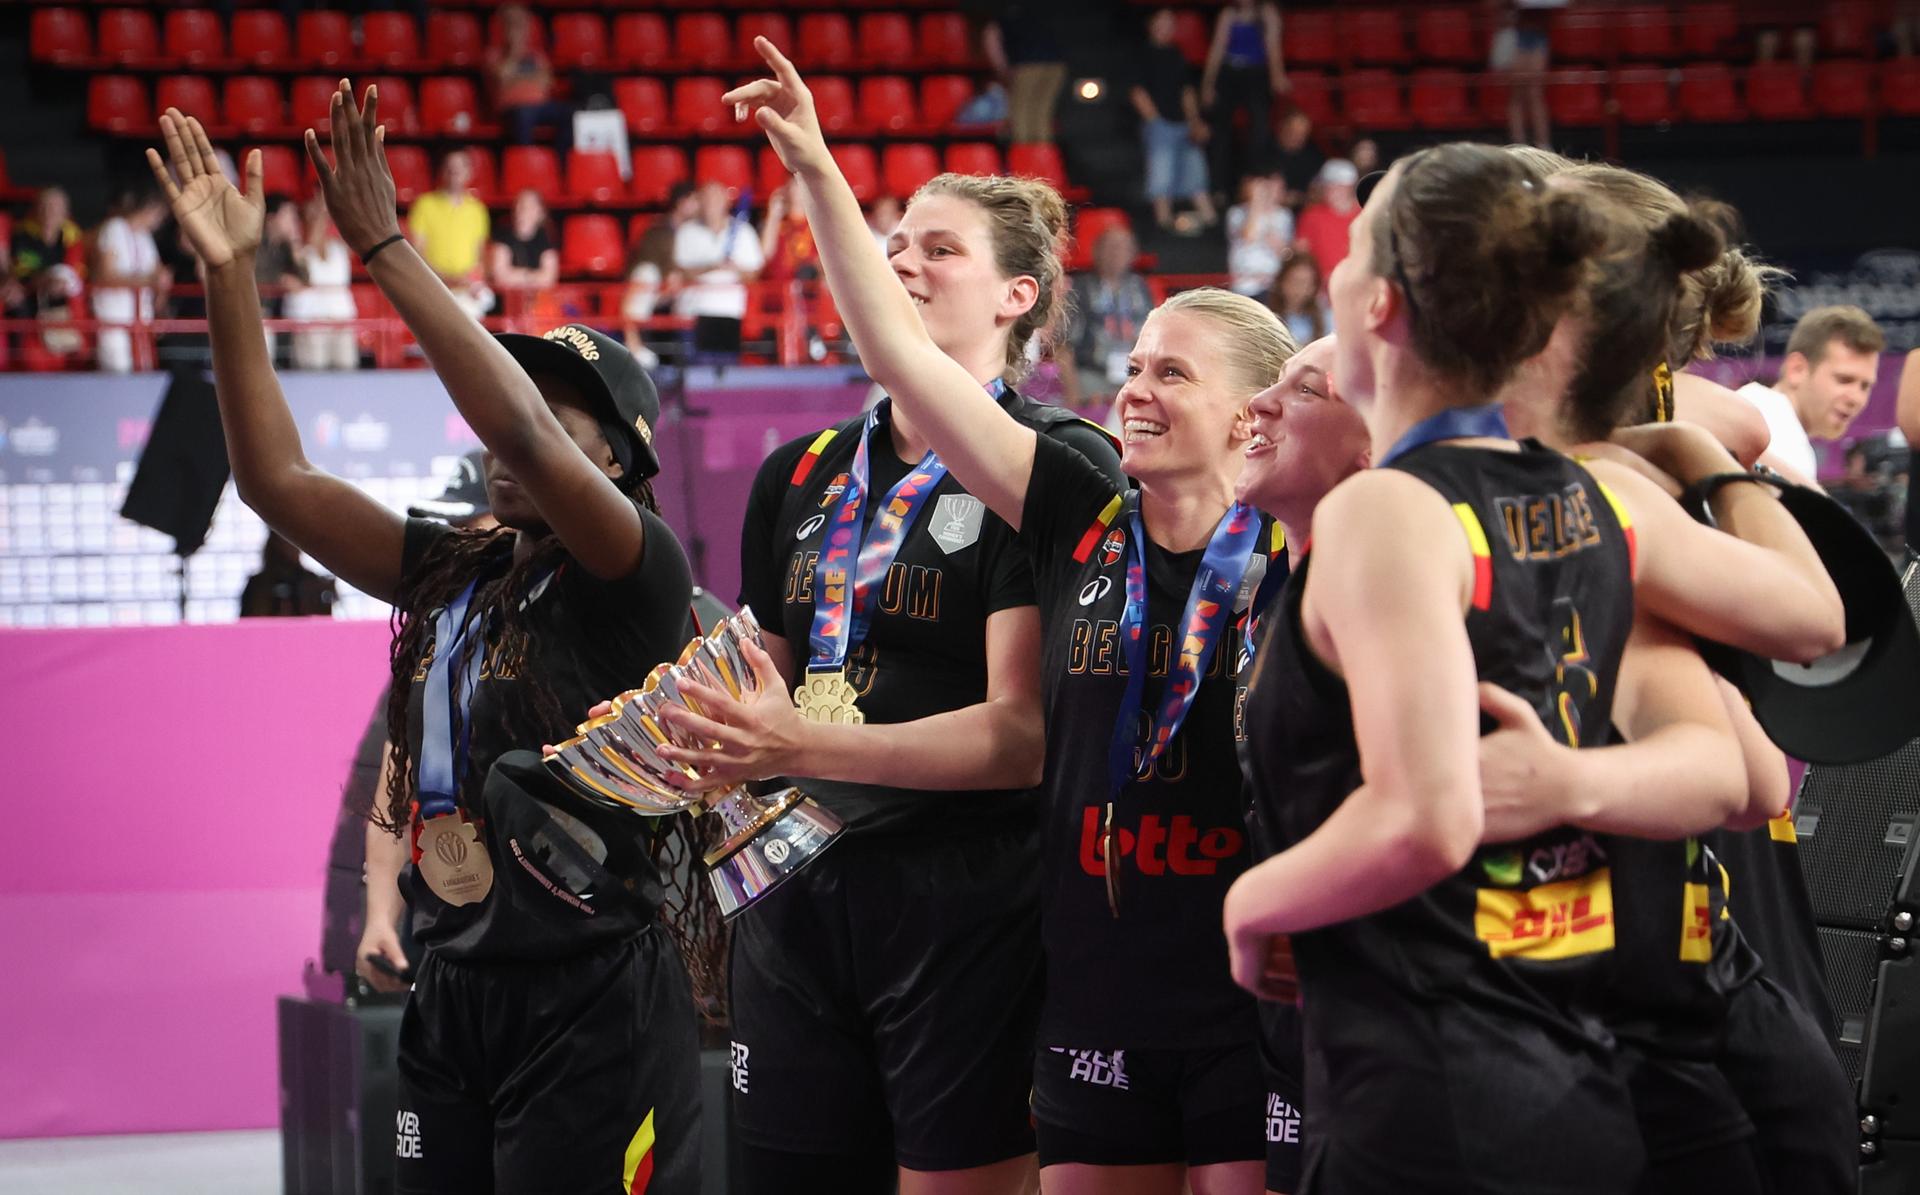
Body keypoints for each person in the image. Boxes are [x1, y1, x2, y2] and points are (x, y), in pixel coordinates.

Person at [725, 37, 1297, 1193]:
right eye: (1133, 366)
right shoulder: (1084, 512)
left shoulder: (1305, 552)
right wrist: (819, 171)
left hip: (1226, 979)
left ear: (1254, 418)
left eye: (1171, 375)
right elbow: (896, 349)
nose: (1133, 389)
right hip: (1097, 983)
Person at [1223, 141, 1842, 1194]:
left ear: (1379, 304)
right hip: (1581, 1066)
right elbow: (1738, 762)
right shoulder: (1591, 499)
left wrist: (1254, 902)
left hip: (1512, 1075)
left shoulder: (1447, 504)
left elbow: (1431, 817)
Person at [147, 92, 709, 1192]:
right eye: (525, 390)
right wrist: (229, 274)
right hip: (455, 992)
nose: (519, 426)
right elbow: (278, 480)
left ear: (620, 461)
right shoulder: (458, 570)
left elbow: (516, 429)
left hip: (594, 994)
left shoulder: (636, 569)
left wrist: (386, 248)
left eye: (562, 413)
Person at [647, 161, 1124, 1194]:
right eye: (895, 245)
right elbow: (764, 682)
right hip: (796, 896)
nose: (903, 262)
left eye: (939, 250)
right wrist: (674, 738)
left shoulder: (1053, 468)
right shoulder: (803, 471)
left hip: (964, 900)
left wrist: (799, 743)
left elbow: (1019, 739)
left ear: (1018, 296)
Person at [360, 452, 499, 998]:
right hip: (441, 926)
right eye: (451, 526)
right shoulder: (430, 639)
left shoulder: (559, 626)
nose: (456, 539)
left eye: (472, 523)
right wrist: (378, 921)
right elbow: (393, 796)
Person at [1735, 304, 1886, 484]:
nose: (1856, 399)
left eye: (1865, 386)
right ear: (1797, 370)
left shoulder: (1759, 408)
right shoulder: (1775, 435)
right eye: (1844, 380)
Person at [1134, 7, 1218, 233]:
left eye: (1170, 23)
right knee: (1161, 172)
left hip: (1183, 122)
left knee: (1195, 169)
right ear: (1151, 25)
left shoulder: (1176, 53)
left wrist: (1194, 120)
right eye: (1162, 22)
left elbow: (1186, 90)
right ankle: (1163, 221)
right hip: (1160, 124)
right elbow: (1137, 92)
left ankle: (1210, 219)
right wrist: (1155, 120)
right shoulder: (1142, 53)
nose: (1167, 28)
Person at [1058, 224, 1154, 411]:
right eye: (1111, 247)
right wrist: (1072, 392)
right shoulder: (1081, 288)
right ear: (1096, 251)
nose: (1117, 253)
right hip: (1091, 375)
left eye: (1123, 247)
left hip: (1132, 374)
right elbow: (1063, 345)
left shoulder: (1139, 287)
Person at [1201, 0, 1286, 201]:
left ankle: (1252, 186)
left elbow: (1273, 46)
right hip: (1230, 73)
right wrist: (1208, 84)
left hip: (1256, 75)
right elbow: (1217, 50)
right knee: (1220, 134)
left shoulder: (1267, 12)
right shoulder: (1228, 14)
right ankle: (1218, 189)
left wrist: (1277, 75)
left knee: (1259, 132)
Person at [672, 180, 764, 357]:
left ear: (725, 202)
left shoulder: (744, 232)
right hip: (693, 315)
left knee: (726, 374)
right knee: (694, 376)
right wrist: (712, 266)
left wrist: (735, 269)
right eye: (706, 199)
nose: (711, 205)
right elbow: (682, 272)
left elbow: (754, 274)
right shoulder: (686, 232)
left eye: (715, 199)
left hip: (729, 315)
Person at [91, 187, 170, 373]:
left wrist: (160, 285)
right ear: (150, 208)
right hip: (114, 317)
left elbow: (158, 273)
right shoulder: (113, 229)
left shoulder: (144, 236)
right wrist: (148, 280)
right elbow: (106, 276)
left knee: (144, 370)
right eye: (159, 214)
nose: (159, 221)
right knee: (118, 371)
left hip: (141, 318)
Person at [405, 149, 491, 316]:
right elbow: (417, 251)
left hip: (466, 291)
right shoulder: (424, 205)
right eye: (450, 167)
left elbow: (480, 254)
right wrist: (442, 279)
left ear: (469, 173)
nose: (454, 172)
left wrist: (471, 280)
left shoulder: (478, 210)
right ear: (443, 171)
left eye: (460, 167)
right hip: (432, 287)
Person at [5, 186, 86, 363]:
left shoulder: (73, 236)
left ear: (66, 212)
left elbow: (76, 275)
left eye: (55, 208)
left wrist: (60, 280)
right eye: (44, 206)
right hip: (30, 305)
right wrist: (43, 280)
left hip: (64, 310)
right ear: (35, 209)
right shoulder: (21, 234)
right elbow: (19, 273)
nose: (49, 213)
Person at [285, 191, 358, 371]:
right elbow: (311, 244)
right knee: (313, 373)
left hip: (341, 321)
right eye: (314, 213)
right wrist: (322, 211)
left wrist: (334, 208)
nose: (320, 217)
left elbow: (354, 232)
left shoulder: (338, 248)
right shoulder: (298, 250)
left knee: (347, 372)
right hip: (311, 325)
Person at [488, 4, 572, 156]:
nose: (518, 31)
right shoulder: (494, 55)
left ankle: (560, 162)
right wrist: (516, 51)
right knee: (524, 114)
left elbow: (547, 82)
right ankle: (525, 161)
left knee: (570, 113)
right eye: (512, 26)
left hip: (539, 105)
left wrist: (516, 78)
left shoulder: (536, 56)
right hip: (512, 108)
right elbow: (502, 77)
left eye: (521, 26)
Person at [622, 186, 692, 367]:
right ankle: (636, 349)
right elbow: (631, 310)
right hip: (644, 328)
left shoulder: (691, 232)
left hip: (669, 314)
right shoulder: (657, 236)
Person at [984, 1, 1069, 145]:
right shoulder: (1040, 8)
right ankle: (1042, 160)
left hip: (1027, 65)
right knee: (1041, 115)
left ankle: (1026, 161)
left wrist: (1003, 70)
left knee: (1020, 113)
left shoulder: (1004, 11)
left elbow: (991, 39)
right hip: (1056, 64)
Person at [1489, 0, 1557, 148]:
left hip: (1538, 32)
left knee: (1535, 92)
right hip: (1514, 33)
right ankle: (1519, 145)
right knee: (1517, 92)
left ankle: (1544, 145)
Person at [239, 531, 337, 616]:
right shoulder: (259, 583)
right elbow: (249, 617)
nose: (290, 547)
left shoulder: (311, 582)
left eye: (293, 543)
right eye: (284, 542)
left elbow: (321, 615)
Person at [1226, 174, 1293, 298]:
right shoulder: (1237, 213)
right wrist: (1256, 203)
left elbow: (1286, 253)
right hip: (1245, 285)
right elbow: (1248, 236)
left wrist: (1280, 246)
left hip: (1273, 284)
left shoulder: (1284, 215)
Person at [487, 188, 560, 301]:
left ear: (540, 212)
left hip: (539, 302)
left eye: (531, 205)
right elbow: (500, 277)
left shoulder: (547, 239)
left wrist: (518, 275)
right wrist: (533, 276)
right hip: (506, 301)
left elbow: (548, 279)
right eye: (521, 204)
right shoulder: (502, 236)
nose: (525, 209)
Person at [1293, 160, 1358, 280]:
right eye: (1327, 185)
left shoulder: (1365, 216)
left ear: (1349, 187)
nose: (1330, 190)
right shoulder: (1311, 215)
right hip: (1320, 285)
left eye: (1336, 185)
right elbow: (1301, 253)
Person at [1265, 255, 1327, 347]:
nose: (1300, 289)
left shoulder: (1323, 317)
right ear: (1282, 281)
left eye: (1306, 283)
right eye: (1295, 281)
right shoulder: (1268, 317)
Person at [1271, 112, 1323, 212]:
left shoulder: (1314, 154)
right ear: (1282, 128)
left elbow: (1319, 188)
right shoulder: (1266, 151)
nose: (1298, 137)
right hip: (1272, 209)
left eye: (1303, 133)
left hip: (1305, 210)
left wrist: (1302, 198)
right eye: (1293, 131)